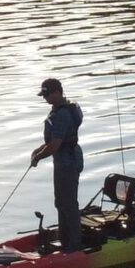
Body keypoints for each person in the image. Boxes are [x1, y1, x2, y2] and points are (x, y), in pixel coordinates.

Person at [29, 78, 89, 252]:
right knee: (60, 202)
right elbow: (54, 141)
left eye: (47, 94)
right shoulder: (61, 109)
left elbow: (55, 145)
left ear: (57, 92)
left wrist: (39, 157)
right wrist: (38, 149)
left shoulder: (63, 114)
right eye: (43, 95)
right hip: (63, 159)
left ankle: (75, 245)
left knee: (68, 203)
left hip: (68, 162)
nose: (45, 98)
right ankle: (65, 239)